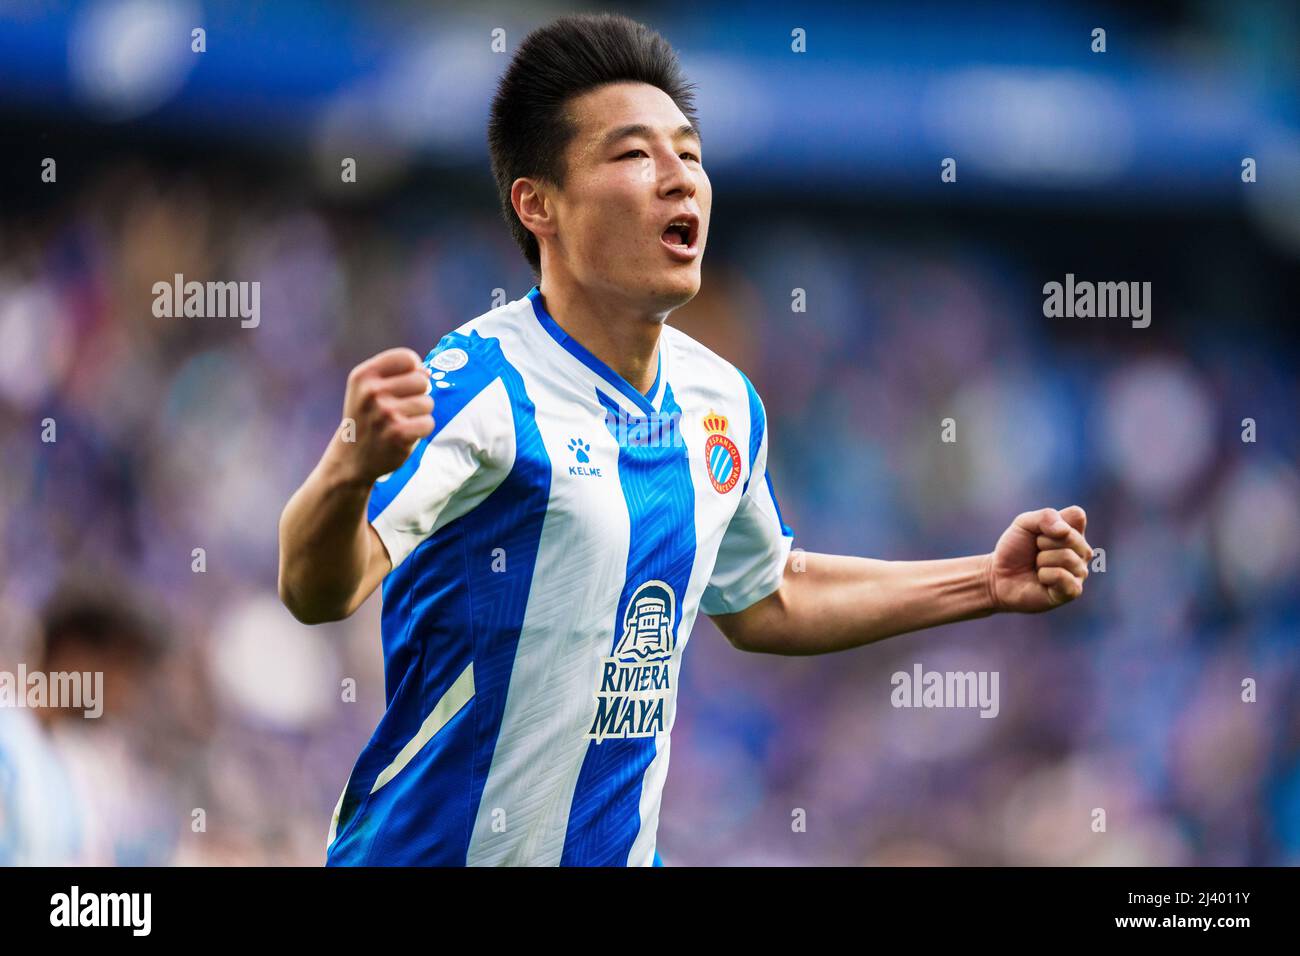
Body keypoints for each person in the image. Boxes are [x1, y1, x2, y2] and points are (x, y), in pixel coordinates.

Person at [277, 13, 1092, 866]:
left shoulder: (722, 402)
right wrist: (347, 466)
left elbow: (769, 597)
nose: (680, 180)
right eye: (634, 156)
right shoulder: (478, 386)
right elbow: (315, 589)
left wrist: (984, 583)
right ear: (538, 204)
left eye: (691, 155)